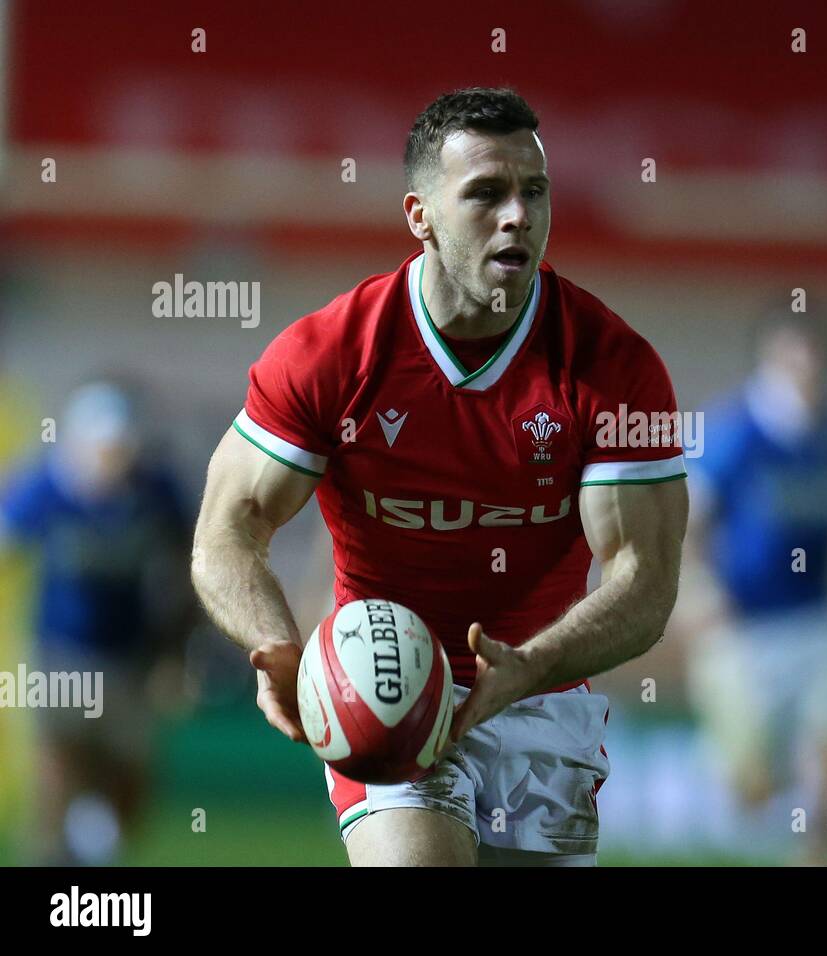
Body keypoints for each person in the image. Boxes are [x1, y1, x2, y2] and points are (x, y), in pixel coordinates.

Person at [191, 87, 688, 867]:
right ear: (420, 215)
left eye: (534, 191)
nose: (518, 214)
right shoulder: (330, 355)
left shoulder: (615, 369)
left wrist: (536, 666)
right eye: (487, 193)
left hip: (540, 693)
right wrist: (276, 646)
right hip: (382, 686)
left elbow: (646, 578)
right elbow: (227, 528)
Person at [678, 305, 827, 864]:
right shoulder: (734, 436)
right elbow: (687, 526)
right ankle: (764, 790)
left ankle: (821, 846)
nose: (806, 372)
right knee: (752, 789)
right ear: (767, 362)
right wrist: (697, 592)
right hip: (746, 630)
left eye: (815, 358)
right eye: (793, 358)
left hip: (820, 619)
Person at [0, 380, 194, 864]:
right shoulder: (49, 487)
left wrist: (177, 654)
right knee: (59, 771)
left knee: (127, 780)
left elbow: (192, 570)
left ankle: (94, 856)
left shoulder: (157, 493)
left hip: (130, 661)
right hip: (61, 656)